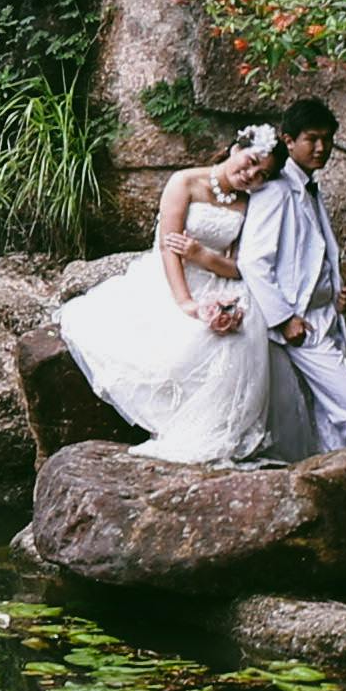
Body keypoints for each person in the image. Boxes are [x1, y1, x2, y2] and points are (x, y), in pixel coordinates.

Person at [51, 126, 282, 462]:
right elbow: (167, 248)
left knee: (240, 339)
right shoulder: (185, 182)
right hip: (171, 277)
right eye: (250, 163)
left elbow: (236, 267)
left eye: (262, 175)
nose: (250, 175)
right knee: (178, 350)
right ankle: (175, 424)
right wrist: (186, 302)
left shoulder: (250, 203)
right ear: (235, 149)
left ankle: (219, 432)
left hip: (217, 279)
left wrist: (203, 256)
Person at [241, 98, 346, 537]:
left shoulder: (311, 187)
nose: (321, 148)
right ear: (288, 141)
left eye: (327, 140)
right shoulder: (275, 190)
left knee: (331, 419)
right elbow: (254, 261)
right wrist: (284, 318)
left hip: (325, 318)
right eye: (312, 139)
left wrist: (335, 292)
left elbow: (310, 255)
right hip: (300, 328)